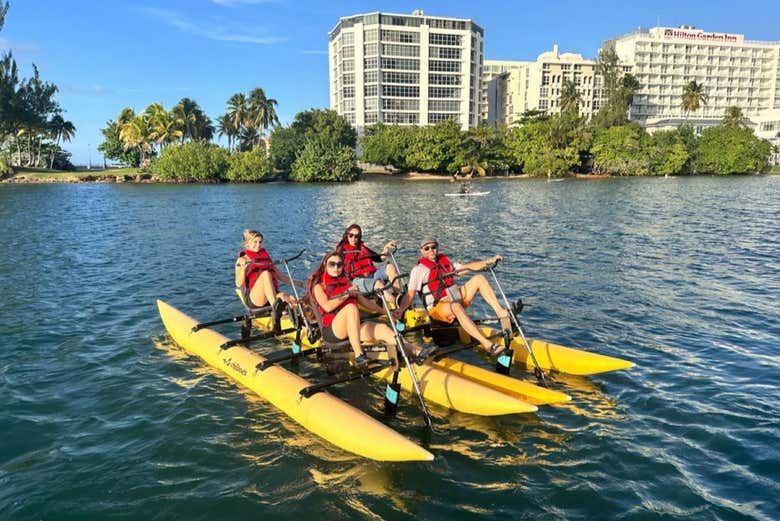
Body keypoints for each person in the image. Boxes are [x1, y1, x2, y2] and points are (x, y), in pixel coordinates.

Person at [396, 238, 512, 357]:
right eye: (427, 248)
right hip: (437, 308)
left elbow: (468, 266)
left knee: (479, 279)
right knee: (456, 306)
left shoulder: (445, 262)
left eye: (433, 247)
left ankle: (501, 313)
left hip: (454, 298)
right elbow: (410, 295)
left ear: (437, 248)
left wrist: (489, 261)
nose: (431, 250)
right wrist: (400, 310)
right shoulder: (418, 270)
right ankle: (488, 345)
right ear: (422, 251)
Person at [309, 251, 400, 367]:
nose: (336, 267)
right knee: (351, 307)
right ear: (325, 264)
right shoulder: (319, 286)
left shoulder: (347, 283)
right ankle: (359, 355)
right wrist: (347, 294)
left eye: (339, 264)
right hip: (333, 331)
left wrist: (388, 313)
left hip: (353, 326)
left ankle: (414, 352)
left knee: (384, 329)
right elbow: (327, 307)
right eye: (332, 264)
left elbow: (367, 303)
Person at [234, 229, 300, 315]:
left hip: (270, 294)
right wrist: (243, 269)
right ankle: (276, 309)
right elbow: (238, 284)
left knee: (288, 298)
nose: (258, 245)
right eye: (255, 242)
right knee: (265, 274)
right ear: (247, 244)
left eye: (260, 242)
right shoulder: (242, 260)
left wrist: (301, 284)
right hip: (255, 299)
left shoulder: (265, 257)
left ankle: (299, 318)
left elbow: (281, 277)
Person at [335, 224, 400, 302]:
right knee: (378, 284)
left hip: (372, 275)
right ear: (347, 235)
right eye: (351, 235)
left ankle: (399, 296)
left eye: (357, 236)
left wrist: (386, 248)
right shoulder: (342, 251)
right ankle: (397, 305)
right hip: (356, 280)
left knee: (390, 267)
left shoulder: (362, 248)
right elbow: (335, 268)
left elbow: (379, 258)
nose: (354, 238)